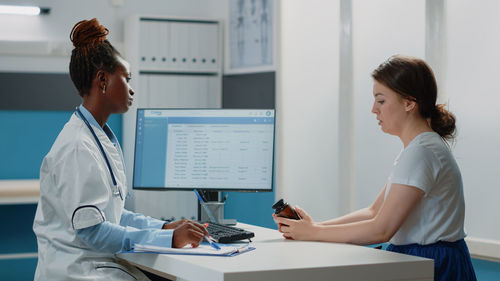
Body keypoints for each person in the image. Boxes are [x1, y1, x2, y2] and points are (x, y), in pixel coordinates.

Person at [273, 55, 477, 281]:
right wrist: (314, 226)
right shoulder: (419, 148)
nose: (373, 109)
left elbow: (382, 229)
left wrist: (314, 233)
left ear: (409, 103)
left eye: (381, 101)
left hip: (432, 263)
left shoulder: (422, 152)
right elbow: (374, 211)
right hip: (426, 258)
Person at [33, 18, 208, 281]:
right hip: (79, 271)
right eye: (126, 78)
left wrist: (163, 226)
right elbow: (93, 232)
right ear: (102, 80)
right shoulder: (78, 147)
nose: (132, 89)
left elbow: (111, 214)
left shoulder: (97, 137)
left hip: (97, 265)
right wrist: (167, 237)